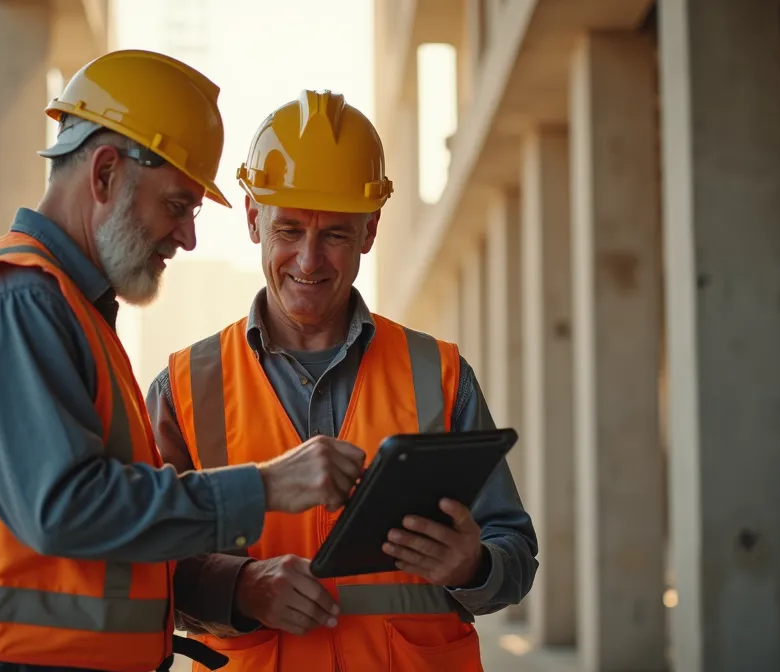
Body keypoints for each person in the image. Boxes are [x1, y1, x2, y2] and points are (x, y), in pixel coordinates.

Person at [0, 52, 368, 672]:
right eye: (177, 205)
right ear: (105, 173)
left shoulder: (71, 311)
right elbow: (67, 509)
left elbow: (113, 531)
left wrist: (234, 583)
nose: (187, 237)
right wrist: (266, 487)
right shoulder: (20, 305)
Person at [145, 90, 539, 672]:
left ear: (370, 231)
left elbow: (514, 552)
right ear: (253, 219)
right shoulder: (183, 389)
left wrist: (473, 567)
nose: (309, 261)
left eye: (334, 234)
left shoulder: (440, 374)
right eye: (288, 230)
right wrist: (242, 587)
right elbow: (145, 564)